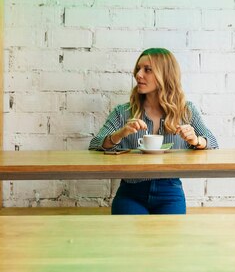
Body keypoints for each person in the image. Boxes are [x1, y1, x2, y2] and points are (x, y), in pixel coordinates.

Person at [89, 48, 218, 215]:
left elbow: (213, 143)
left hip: (170, 191)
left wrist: (196, 141)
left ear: (165, 75)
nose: (138, 75)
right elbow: (95, 145)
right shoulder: (123, 112)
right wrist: (119, 134)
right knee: (127, 241)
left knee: (169, 241)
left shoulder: (186, 111)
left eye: (147, 70)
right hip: (131, 191)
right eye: (138, 69)